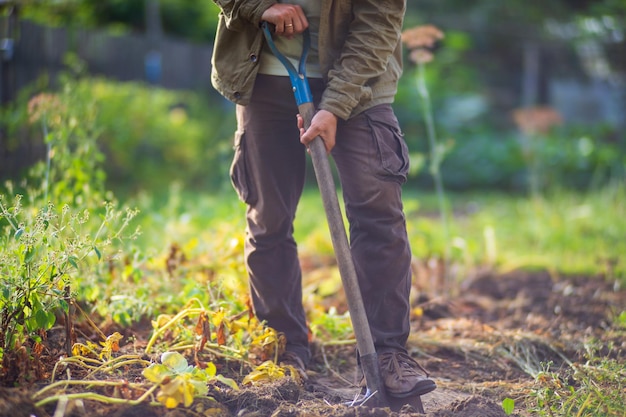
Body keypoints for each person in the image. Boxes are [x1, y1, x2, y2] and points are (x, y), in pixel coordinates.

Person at [210, 0, 436, 398]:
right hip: (263, 73)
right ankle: (284, 348)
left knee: (379, 214)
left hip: (360, 82)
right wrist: (258, 6)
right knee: (269, 220)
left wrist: (334, 107)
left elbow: (379, 22)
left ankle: (387, 356)